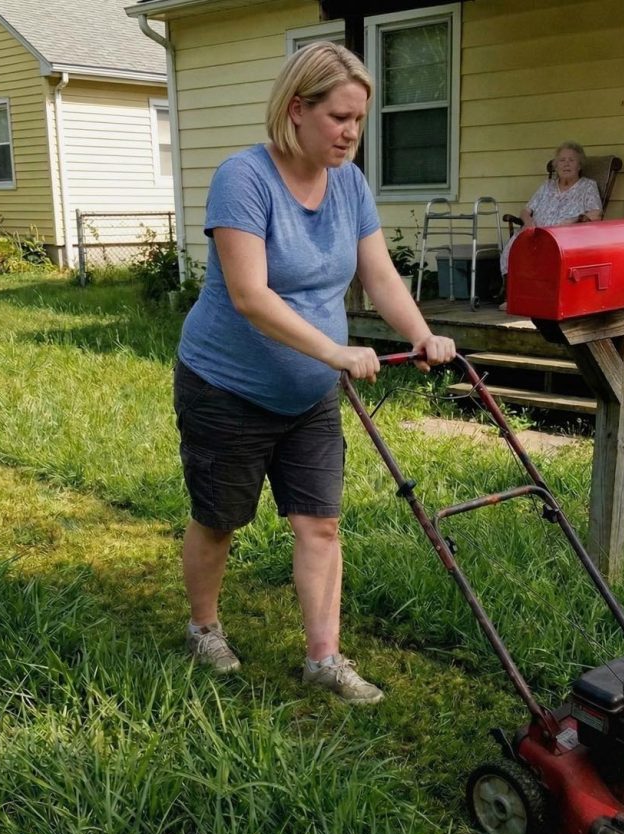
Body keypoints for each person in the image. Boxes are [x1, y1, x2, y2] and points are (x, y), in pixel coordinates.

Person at [173, 42, 456, 705]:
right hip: (226, 386)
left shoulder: (350, 185)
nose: (351, 133)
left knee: (320, 525)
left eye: (359, 119)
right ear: (297, 110)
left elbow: (378, 274)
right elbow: (250, 294)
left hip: (307, 397)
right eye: (339, 117)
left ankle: (324, 658)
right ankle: (203, 626)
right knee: (220, 518)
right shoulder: (242, 178)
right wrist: (333, 352)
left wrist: (421, 334)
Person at [499, 141, 603, 308]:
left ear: (579, 165)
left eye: (571, 160)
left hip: (564, 237)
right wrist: (528, 222)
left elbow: (596, 214)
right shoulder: (546, 186)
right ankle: (516, 297)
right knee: (516, 246)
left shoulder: (587, 186)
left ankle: (540, 298)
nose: (566, 164)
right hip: (534, 232)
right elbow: (526, 210)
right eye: (562, 160)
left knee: (545, 252)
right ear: (555, 166)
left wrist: (574, 220)